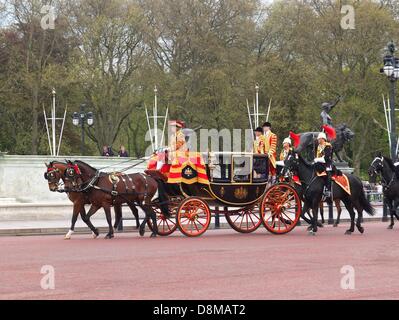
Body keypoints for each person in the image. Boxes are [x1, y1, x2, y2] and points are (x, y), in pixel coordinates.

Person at [314, 132, 333, 199]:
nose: (318, 140)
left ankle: (328, 190)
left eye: (319, 139)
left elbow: (326, 158)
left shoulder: (328, 146)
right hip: (319, 164)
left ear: (323, 139)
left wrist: (316, 159)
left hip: (327, 163)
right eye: (318, 139)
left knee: (328, 173)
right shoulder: (318, 146)